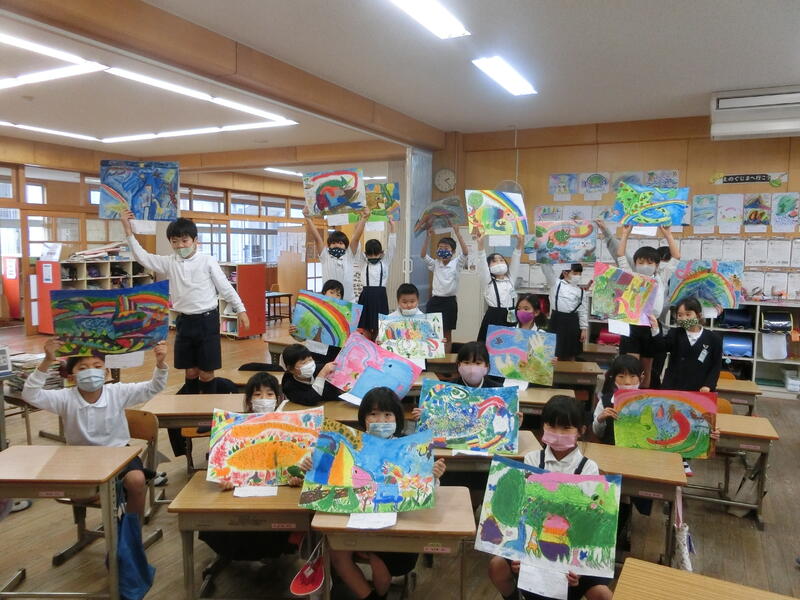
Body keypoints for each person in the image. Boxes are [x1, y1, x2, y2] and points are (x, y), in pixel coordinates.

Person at [22, 339, 168, 523]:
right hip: (81, 457)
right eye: (82, 368)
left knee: (137, 480)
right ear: (72, 376)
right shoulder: (65, 398)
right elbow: (30, 395)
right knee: (80, 494)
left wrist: (160, 363)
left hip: (119, 453)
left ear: (106, 372)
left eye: (97, 366)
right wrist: (47, 361)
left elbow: (154, 387)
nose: (91, 372)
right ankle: (113, 496)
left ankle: (132, 529)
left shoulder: (117, 392)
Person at [488, 395, 613, 600]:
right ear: (543, 427)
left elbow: (589, 523)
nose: (558, 433)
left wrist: (578, 568)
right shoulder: (532, 460)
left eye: (566, 428)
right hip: (534, 545)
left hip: (572, 551)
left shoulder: (588, 468)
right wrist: (520, 554)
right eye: (552, 426)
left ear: (581, 431)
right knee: (497, 566)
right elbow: (523, 510)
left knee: (603, 594)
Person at [331, 387, 445, 600]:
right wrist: (313, 467)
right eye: (373, 414)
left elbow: (421, 492)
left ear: (397, 418)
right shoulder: (351, 446)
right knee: (337, 554)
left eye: (387, 414)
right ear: (363, 418)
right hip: (356, 518)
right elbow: (335, 481)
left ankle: (379, 593)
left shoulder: (409, 448)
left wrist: (433, 476)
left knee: (380, 568)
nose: (380, 420)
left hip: (396, 523)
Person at [121, 212, 248, 394]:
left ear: (195, 240)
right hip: (184, 322)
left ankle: (208, 407)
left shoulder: (207, 261)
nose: (180, 245)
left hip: (207, 321)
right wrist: (128, 230)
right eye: (175, 241)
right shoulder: (169, 262)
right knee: (190, 372)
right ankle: (190, 406)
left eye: (184, 240)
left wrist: (241, 310)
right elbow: (143, 257)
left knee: (206, 373)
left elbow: (225, 288)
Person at [200, 372, 305, 562]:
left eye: (269, 394)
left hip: (278, 495)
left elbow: (298, 465)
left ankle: (272, 552)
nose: (264, 399)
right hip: (240, 493)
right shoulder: (233, 426)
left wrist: (297, 477)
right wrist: (222, 477)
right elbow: (218, 462)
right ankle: (239, 552)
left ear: (278, 398)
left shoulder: (289, 428)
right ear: (249, 400)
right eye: (258, 394)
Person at [616, 224, 681, 388]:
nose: (645, 265)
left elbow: (676, 257)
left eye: (650, 262)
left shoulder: (661, 277)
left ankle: (644, 393)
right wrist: (625, 233)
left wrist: (668, 234)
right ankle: (627, 393)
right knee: (630, 367)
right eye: (641, 261)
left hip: (652, 326)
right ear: (636, 263)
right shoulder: (631, 275)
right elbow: (620, 255)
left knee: (647, 369)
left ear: (657, 265)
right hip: (633, 324)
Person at [649, 297, 722, 393]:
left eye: (688, 314)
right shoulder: (674, 333)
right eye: (680, 315)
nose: (684, 318)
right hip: (673, 388)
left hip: (699, 390)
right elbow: (661, 348)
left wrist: (708, 385)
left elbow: (716, 366)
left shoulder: (713, 339)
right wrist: (655, 329)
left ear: (698, 315)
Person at [303, 207, 368, 302]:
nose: (337, 245)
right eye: (333, 243)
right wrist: (308, 218)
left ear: (346, 246)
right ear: (329, 245)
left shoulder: (349, 255)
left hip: (348, 300)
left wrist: (364, 218)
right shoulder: (325, 256)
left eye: (340, 243)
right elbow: (317, 239)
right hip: (329, 301)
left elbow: (356, 238)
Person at [421, 225, 468, 352]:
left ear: (453, 251)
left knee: (447, 334)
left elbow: (465, 252)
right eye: (440, 248)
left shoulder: (456, 263)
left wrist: (458, 233)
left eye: (446, 248)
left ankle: (446, 359)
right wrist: (427, 237)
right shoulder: (436, 263)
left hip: (449, 302)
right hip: (435, 301)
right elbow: (423, 255)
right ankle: (432, 357)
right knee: (431, 332)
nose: (442, 250)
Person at [476, 233, 524, 341]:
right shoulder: (488, 281)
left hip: (511, 315)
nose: (499, 262)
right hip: (494, 316)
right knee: (492, 344)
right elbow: (482, 261)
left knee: (509, 343)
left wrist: (520, 243)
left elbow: (516, 258)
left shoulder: (510, 279)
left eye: (501, 260)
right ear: (489, 266)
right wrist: (480, 244)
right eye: (494, 261)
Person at [357, 220, 397, 338]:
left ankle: (378, 345)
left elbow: (392, 247)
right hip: (366, 297)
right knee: (365, 327)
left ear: (381, 253)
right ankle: (367, 346)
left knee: (381, 326)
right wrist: (360, 224)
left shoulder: (385, 262)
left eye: (376, 254)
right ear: (365, 254)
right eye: (370, 254)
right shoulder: (362, 263)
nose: (373, 257)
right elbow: (356, 244)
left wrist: (392, 226)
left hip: (380, 297)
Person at [591, 354, 643, 445]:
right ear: (613, 378)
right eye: (621, 376)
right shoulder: (605, 401)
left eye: (632, 376)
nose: (627, 382)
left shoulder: (651, 401)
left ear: (641, 378)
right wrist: (600, 419)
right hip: (612, 448)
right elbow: (597, 433)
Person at [541, 263, 587, 361]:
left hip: (573, 324)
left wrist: (584, 329)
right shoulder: (555, 283)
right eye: (575, 273)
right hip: (556, 321)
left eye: (580, 274)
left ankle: (571, 370)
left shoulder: (581, 291)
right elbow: (546, 269)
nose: (578, 276)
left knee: (571, 353)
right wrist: (544, 258)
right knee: (553, 351)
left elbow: (583, 311)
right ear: (565, 273)